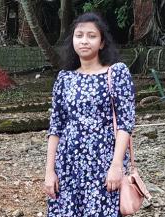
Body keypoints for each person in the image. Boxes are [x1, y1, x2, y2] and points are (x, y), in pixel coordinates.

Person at [44, 12, 135, 217]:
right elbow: (56, 127)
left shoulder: (117, 73)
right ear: (73, 40)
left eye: (91, 36)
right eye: (79, 35)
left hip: (103, 163)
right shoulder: (64, 78)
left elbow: (125, 123)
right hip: (67, 165)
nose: (84, 41)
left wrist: (116, 165)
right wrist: (50, 172)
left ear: (102, 42)